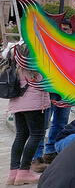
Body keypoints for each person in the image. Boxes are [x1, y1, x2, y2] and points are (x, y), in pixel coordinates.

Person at [31, 20, 73, 173]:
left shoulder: (74, 48)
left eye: (67, 29)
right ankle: (36, 157)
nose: (64, 31)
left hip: (67, 91)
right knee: (42, 125)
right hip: (49, 90)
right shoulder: (46, 46)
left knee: (61, 122)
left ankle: (51, 152)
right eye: (61, 29)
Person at [6, 44, 50, 185]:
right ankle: (24, 172)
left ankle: (14, 173)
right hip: (34, 105)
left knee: (21, 135)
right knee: (36, 135)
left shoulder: (17, 67)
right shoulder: (37, 66)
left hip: (18, 105)